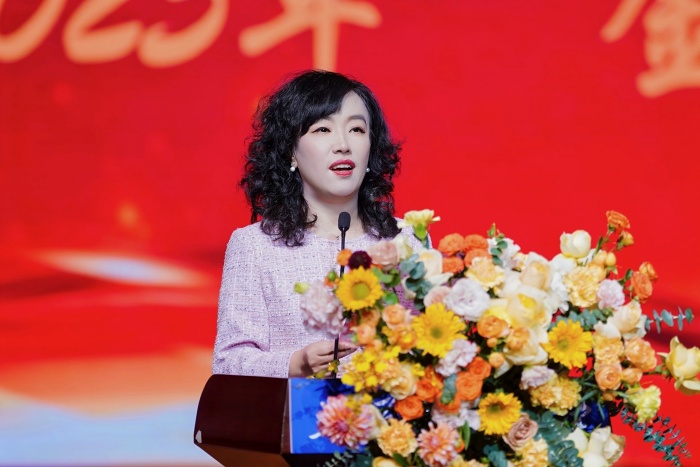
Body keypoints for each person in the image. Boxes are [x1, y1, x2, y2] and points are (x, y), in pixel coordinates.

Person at [212, 70, 420, 378]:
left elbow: (428, 347)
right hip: (291, 408)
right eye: (323, 129)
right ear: (290, 151)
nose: (343, 145)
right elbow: (228, 362)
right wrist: (295, 364)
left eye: (357, 129)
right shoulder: (254, 246)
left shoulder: (403, 241)